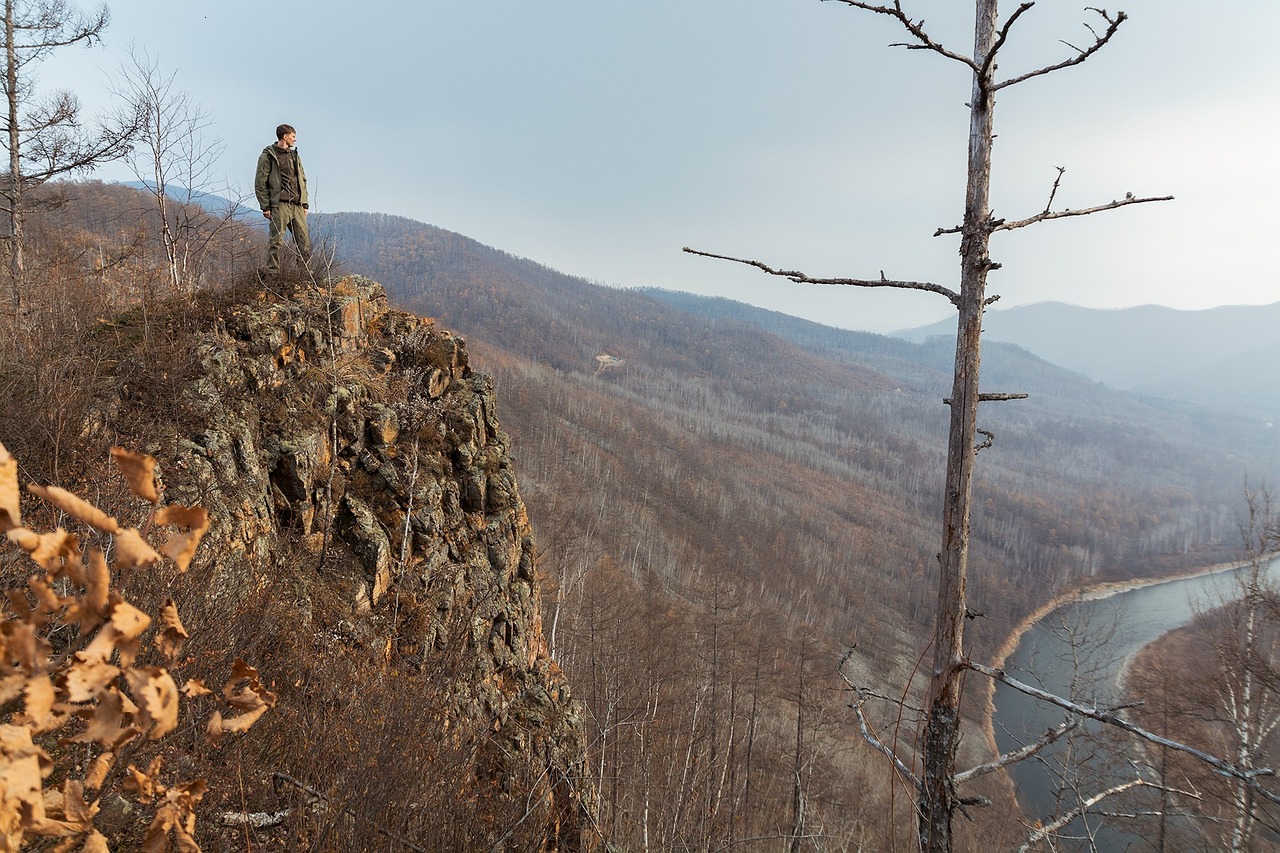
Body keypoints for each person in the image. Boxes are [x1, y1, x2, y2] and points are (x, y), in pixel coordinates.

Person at [254, 123, 311, 277]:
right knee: (276, 242)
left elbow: (302, 179)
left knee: (303, 242)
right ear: (285, 137)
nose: (295, 140)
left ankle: (305, 276)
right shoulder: (268, 156)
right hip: (279, 204)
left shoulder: (294, 155)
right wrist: (265, 206)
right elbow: (260, 182)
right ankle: (272, 275)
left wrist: (304, 203)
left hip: (297, 205)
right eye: (293, 136)